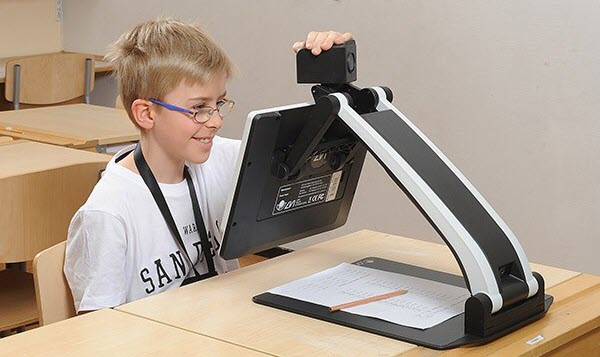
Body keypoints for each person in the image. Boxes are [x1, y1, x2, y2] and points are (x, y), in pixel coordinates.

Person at [63, 17, 353, 313]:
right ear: (146, 114)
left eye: (220, 103)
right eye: (198, 108)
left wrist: (335, 83)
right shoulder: (107, 214)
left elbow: (317, 156)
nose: (215, 121)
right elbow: (97, 334)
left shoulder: (220, 159)